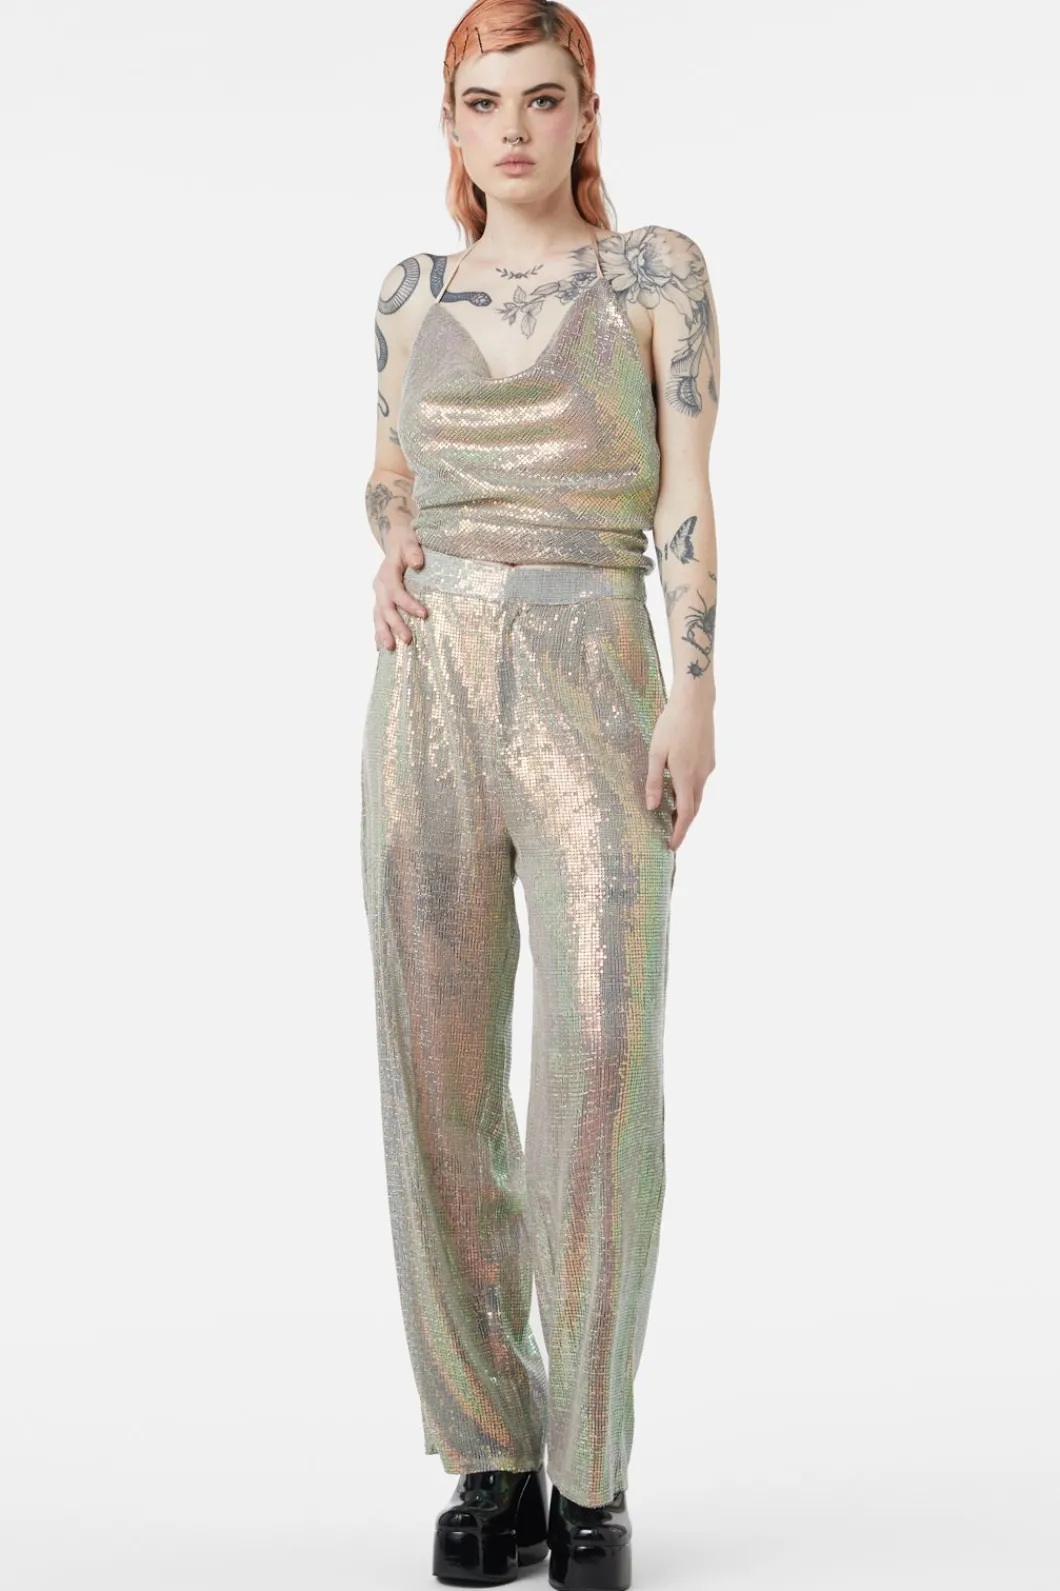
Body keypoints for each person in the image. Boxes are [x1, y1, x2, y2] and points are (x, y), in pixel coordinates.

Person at [360, 2, 719, 1585]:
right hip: (427, 691)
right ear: (451, 126)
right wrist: (391, 538)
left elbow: (689, 486)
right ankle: (489, 1456)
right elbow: (388, 462)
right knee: (435, 1075)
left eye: (542, 97)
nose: (512, 127)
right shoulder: (409, 292)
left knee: (601, 1062)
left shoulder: (654, 277)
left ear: (586, 113)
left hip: (594, 669)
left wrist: (696, 687)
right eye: (482, 101)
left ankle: (590, 1470)